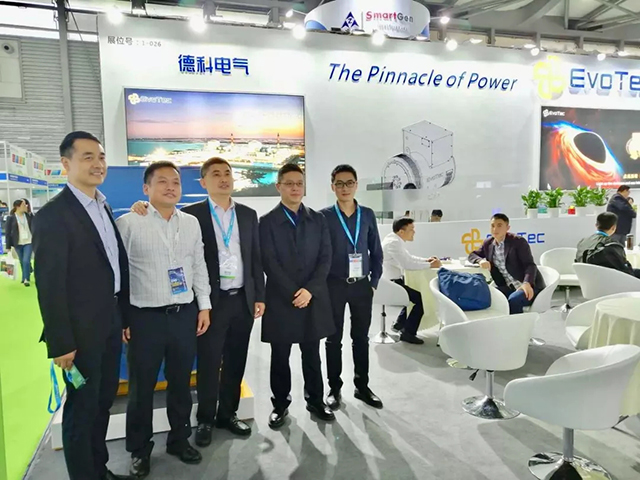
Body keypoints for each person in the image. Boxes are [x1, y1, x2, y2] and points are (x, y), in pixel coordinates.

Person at [130, 157, 266, 444]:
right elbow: (162, 221)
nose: (224, 178)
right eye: (216, 174)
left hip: (242, 298)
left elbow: (255, 256)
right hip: (211, 303)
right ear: (203, 182)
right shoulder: (191, 215)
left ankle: (228, 413)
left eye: (227, 173)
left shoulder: (248, 214)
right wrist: (140, 206)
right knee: (209, 362)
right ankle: (205, 419)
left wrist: (259, 295)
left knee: (236, 360)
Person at [32, 131, 131, 480]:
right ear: (66, 163)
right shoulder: (53, 215)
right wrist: (61, 342)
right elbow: (49, 285)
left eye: (100, 156)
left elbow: (113, 266)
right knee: (82, 409)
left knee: (103, 402)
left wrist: (123, 318)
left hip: (110, 322)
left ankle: (98, 469)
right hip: (79, 333)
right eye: (87, 157)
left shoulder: (102, 206)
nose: (98, 163)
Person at [117, 161, 211, 478]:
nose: (171, 187)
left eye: (176, 182)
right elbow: (119, 275)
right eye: (162, 181)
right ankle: (139, 450)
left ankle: (179, 440)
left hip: (184, 315)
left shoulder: (191, 223)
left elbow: (198, 265)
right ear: (146, 188)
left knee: (181, 384)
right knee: (141, 389)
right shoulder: (129, 223)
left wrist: (204, 306)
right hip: (145, 318)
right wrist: (123, 318)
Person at [259, 163, 336, 429]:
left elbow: (326, 258)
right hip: (282, 299)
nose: (295, 188)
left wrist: (309, 290)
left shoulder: (318, 220)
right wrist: (294, 291)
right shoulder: (267, 222)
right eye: (289, 183)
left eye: (299, 183)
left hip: (312, 297)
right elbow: (269, 262)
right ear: (278, 186)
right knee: (280, 355)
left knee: (312, 353)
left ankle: (315, 400)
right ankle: (280, 404)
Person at [320, 165, 384, 411]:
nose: (344, 188)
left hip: (361, 286)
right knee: (333, 339)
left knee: (361, 338)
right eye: (339, 183)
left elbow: (376, 251)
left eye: (349, 183)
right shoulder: (324, 216)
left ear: (356, 185)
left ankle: (362, 386)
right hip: (333, 286)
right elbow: (320, 254)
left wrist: (373, 283)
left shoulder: (367, 214)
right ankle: (334, 388)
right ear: (332, 186)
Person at [468, 213, 545, 314]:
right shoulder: (488, 244)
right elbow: (472, 255)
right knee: (489, 296)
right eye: (492, 226)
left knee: (514, 300)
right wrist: (480, 260)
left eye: (499, 225)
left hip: (529, 286)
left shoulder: (518, 242)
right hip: (508, 287)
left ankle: (518, 324)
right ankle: (499, 322)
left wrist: (527, 283)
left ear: (507, 228)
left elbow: (530, 265)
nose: (495, 229)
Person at [381, 217, 441, 344]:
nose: (414, 232)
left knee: (414, 296)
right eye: (411, 229)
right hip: (391, 283)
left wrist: (426, 260)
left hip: (393, 281)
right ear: (401, 231)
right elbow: (407, 264)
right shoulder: (393, 243)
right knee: (420, 300)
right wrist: (430, 265)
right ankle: (408, 333)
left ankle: (399, 324)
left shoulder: (395, 240)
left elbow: (409, 258)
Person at [575, 212, 640, 278]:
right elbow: (625, 269)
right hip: (610, 279)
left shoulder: (583, 241)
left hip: (586, 278)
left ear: (596, 225)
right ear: (613, 228)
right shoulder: (612, 245)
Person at [5, 198, 34, 286]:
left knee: (26, 260)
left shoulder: (29, 216)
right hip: (17, 243)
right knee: (22, 261)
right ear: (18, 207)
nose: (26, 206)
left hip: (29, 241)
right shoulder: (11, 218)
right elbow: (7, 233)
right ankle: (26, 273)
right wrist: (8, 247)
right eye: (24, 205)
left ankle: (26, 279)